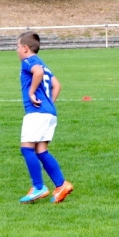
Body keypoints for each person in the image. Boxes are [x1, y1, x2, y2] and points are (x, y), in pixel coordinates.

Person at [16, 32, 74, 204]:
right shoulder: (42, 63)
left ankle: (38, 186)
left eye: (17, 47)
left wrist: (31, 92)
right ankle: (61, 185)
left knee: (27, 148)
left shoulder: (29, 62)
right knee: (41, 151)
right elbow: (57, 85)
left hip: (37, 113)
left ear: (25, 48)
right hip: (48, 112)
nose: (16, 50)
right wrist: (48, 104)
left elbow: (38, 72)